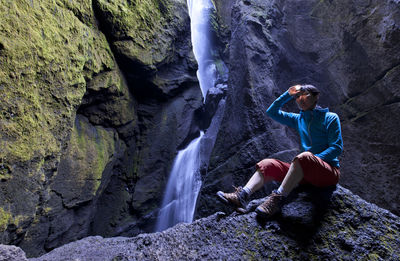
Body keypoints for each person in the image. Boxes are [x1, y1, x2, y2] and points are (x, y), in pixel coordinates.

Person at [217, 84, 343, 219]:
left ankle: (277, 200)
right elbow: (272, 112)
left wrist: (312, 160)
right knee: (267, 164)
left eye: (304, 95)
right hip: (304, 173)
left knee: (304, 157)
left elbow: (336, 148)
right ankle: (241, 195)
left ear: (316, 96)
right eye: (297, 97)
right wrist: (288, 94)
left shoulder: (330, 117)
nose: (300, 99)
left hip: (328, 173)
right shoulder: (299, 119)